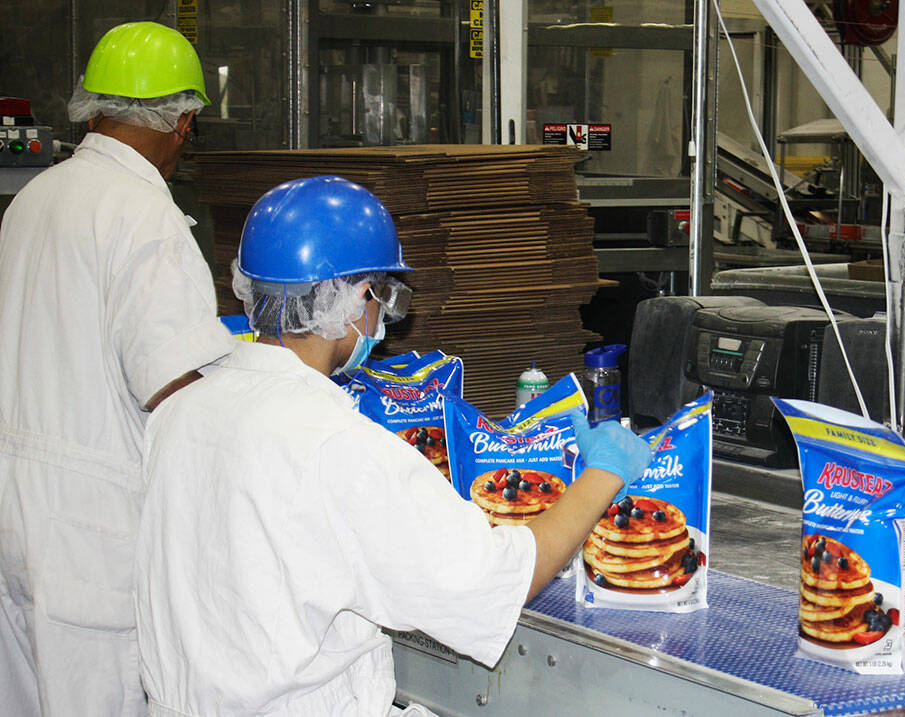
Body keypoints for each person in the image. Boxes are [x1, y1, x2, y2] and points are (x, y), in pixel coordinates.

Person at [134, 175, 652, 715]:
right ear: (360, 298)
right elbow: (495, 579)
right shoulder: (340, 445)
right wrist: (604, 473)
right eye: (384, 295)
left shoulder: (179, 412)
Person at [0, 21, 233, 715]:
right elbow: (174, 394)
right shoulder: (145, 217)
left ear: (92, 108)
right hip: (91, 539)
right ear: (184, 122)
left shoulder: (33, 199)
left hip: (14, 513)